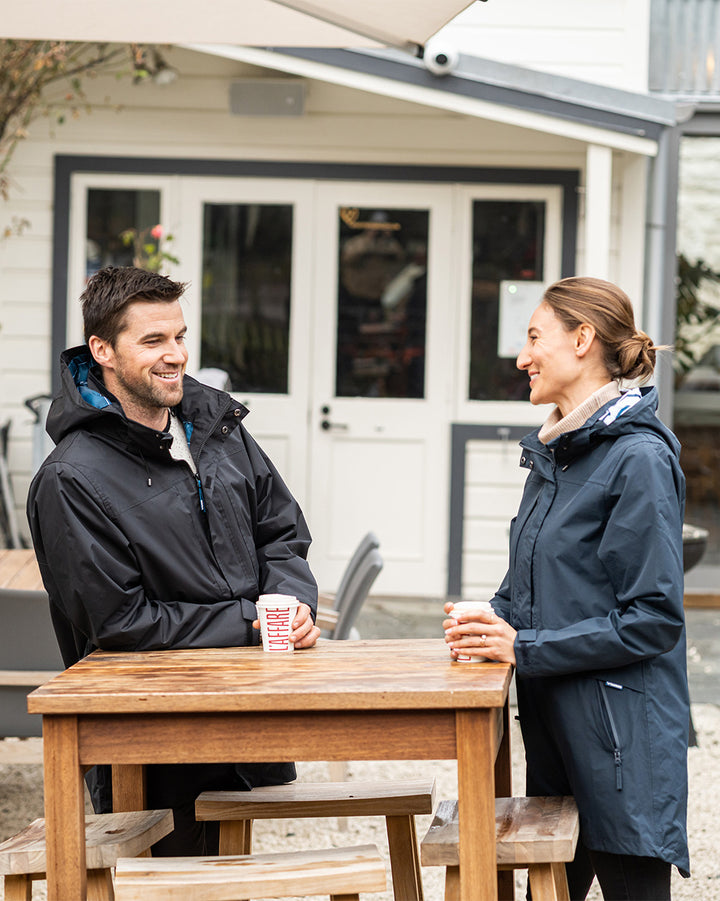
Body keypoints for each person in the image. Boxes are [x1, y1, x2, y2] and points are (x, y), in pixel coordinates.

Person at [27, 265, 321, 856]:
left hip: (244, 716)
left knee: (228, 878)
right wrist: (251, 621)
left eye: (181, 337)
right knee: (170, 883)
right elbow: (119, 622)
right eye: (153, 341)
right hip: (150, 745)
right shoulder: (71, 479)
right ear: (102, 350)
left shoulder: (217, 429)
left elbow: (281, 530)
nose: (176, 355)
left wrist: (291, 602)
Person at [444, 276, 689, 900]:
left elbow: (653, 619)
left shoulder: (637, 459)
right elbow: (533, 582)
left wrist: (521, 648)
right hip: (557, 729)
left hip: (619, 742)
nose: (522, 357)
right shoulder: (559, 454)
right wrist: (486, 620)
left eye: (533, 338)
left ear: (582, 340)